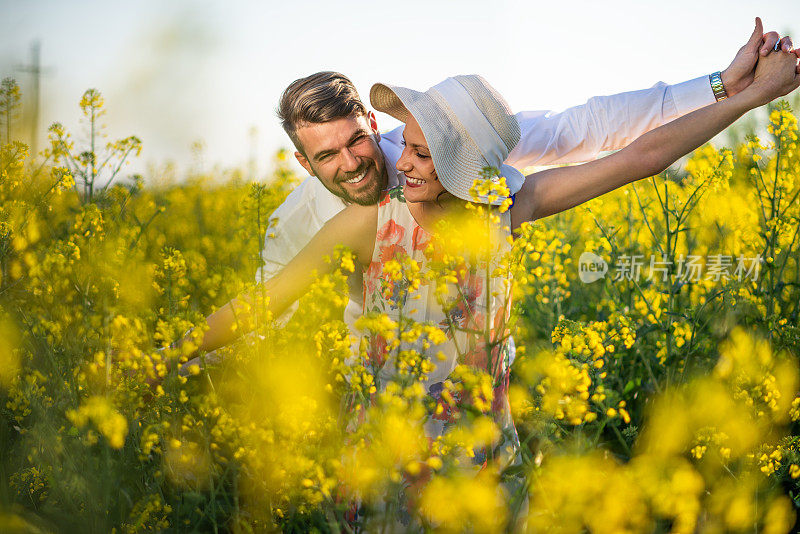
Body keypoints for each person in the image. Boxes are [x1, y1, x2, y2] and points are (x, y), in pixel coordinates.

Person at [170, 45, 799, 530]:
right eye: (405, 147)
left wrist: (741, 97)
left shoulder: (507, 207)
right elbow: (265, 301)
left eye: (418, 152)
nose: (399, 164)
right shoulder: (363, 221)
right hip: (389, 461)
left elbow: (637, 155)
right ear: (307, 163)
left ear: (464, 165)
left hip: (487, 453)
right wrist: (170, 356)